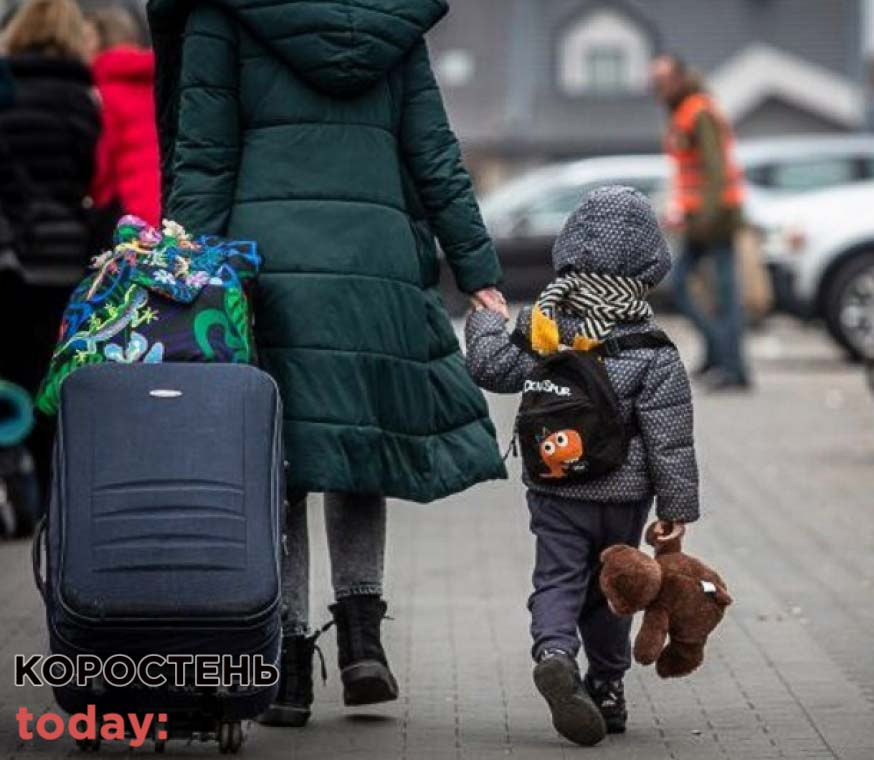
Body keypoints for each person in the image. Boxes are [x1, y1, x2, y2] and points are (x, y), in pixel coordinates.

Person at [147, 0, 510, 727]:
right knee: (354, 447)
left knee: (279, 461)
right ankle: (362, 639)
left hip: (267, 268)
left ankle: (285, 664)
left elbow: (205, 157)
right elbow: (433, 153)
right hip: (370, 270)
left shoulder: (226, 18)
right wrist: (477, 269)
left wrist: (177, 272)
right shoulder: (392, 23)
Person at [466, 186, 699, 746]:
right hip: (623, 498)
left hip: (555, 487)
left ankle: (553, 653)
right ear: (650, 260)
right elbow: (669, 438)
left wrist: (485, 321)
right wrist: (676, 510)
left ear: (569, 246)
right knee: (613, 586)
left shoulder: (544, 324)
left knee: (557, 578)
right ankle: (608, 688)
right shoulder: (652, 345)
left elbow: (491, 368)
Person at [0, 0, 100, 524]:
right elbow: (90, 172)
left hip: (13, 252)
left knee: (11, 371)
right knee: (53, 373)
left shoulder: (4, 90)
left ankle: (16, 486)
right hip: (64, 253)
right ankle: (51, 496)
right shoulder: (81, 98)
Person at [651, 53, 750, 390]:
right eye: (655, 82)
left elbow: (716, 170)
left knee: (720, 294)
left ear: (679, 78)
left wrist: (705, 217)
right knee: (697, 290)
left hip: (716, 217)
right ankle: (718, 358)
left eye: (663, 81)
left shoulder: (699, 111)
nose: (658, 88)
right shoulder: (684, 111)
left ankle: (733, 367)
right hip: (701, 216)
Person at [89, 6, 160, 225]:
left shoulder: (104, 92)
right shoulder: (156, 82)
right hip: (169, 201)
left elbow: (103, 163)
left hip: (130, 213)